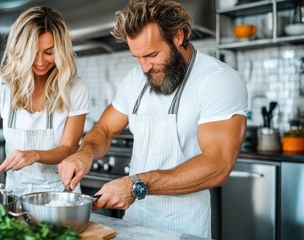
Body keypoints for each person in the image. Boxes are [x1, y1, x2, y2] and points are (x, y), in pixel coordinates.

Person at [58, 0, 247, 238]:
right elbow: (105, 128)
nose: (145, 67)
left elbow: (218, 165)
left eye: (152, 55)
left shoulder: (218, 80)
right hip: (135, 223)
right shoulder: (135, 79)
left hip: (184, 229)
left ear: (178, 36)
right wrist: (85, 152)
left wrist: (137, 185)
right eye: (137, 57)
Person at [0, 6, 90, 196]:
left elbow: (69, 147)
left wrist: (35, 155)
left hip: (60, 193)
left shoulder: (75, 88)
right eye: (32, 52)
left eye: (49, 52)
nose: (40, 61)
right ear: (19, 50)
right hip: (14, 192)